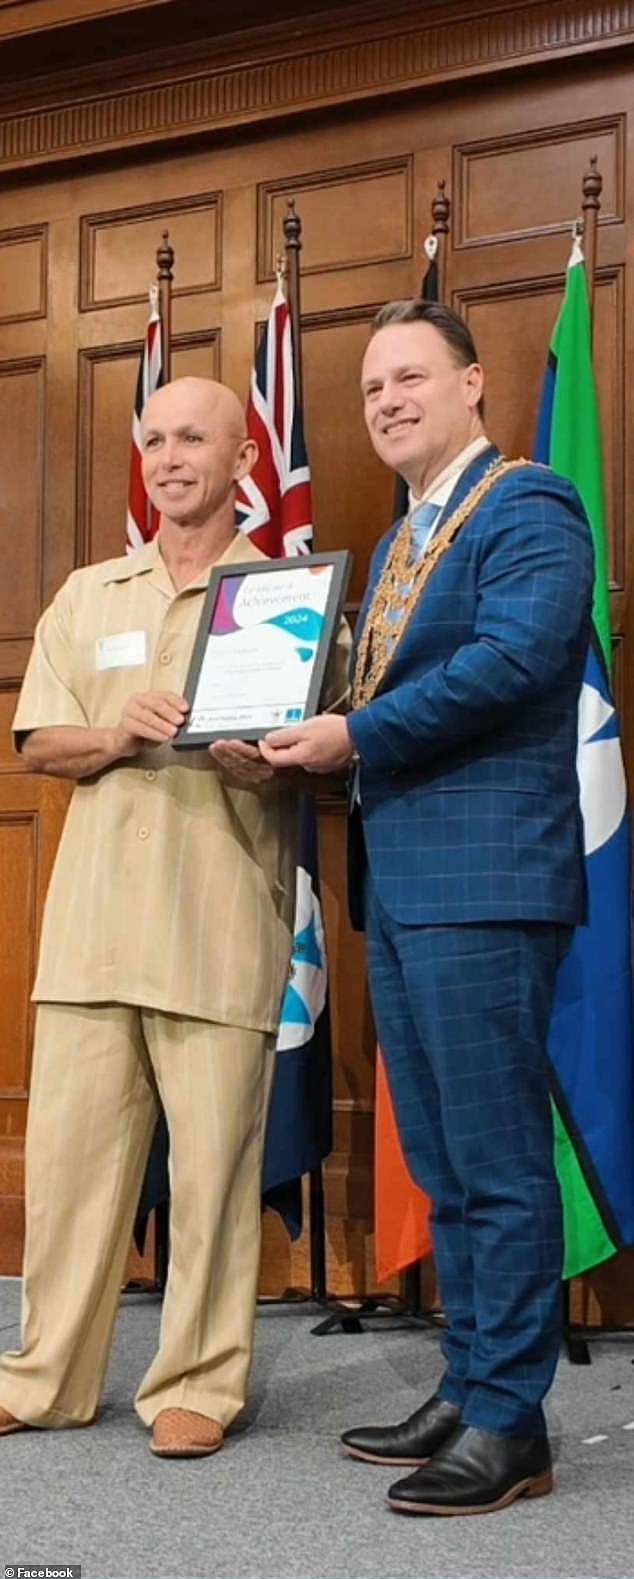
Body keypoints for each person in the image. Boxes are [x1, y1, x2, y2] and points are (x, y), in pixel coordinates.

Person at [259, 300, 594, 1516]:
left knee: (497, 1160)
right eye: (368, 389)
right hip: (402, 881)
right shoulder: (406, 537)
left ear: (473, 388)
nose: (387, 400)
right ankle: (471, 1381)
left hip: (487, 876)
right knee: (449, 1159)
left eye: (410, 376)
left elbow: (513, 662)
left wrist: (351, 729)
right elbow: (390, 701)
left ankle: (512, 1427)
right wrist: (306, 749)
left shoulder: (528, 506)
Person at [0, 376, 349, 1459]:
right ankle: (44, 1376)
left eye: (192, 437)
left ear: (245, 459)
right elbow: (36, 743)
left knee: (212, 1173)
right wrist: (117, 731)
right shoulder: (87, 592)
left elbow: (322, 764)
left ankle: (197, 1381)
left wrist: (261, 764)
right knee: (66, 1174)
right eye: (152, 440)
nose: (167, 457)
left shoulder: (288, 598)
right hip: (94, 935)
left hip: (218, 926)